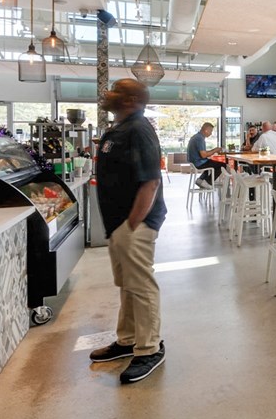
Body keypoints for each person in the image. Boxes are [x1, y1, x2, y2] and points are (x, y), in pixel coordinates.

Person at [90, 78, 168, 384]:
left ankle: (149, 348)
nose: (106, 94)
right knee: (128, 284)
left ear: (130, 99)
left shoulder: (139, 129)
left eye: (114, 91)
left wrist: (132, 224)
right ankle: (127, 341)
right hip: (120, 224)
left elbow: (150, 181)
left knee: (141, 284)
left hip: (135, 223)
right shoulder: (120, 127)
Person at [186, 122, 225, 188]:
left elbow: (203, 154)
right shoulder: (200, 139)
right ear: (206, 130)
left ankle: (201, 179)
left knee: (210, 163)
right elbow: (203, 155)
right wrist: (215, 150)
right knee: (222, 166)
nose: (211, 133)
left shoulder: (196, 137)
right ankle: (207, 182)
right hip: (198, 163)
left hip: (194, 162)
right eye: (211, 131)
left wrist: (213, 151)